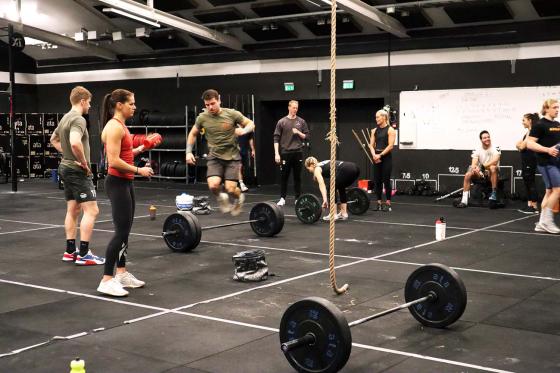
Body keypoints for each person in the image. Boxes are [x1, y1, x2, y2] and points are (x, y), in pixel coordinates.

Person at [98, 89, 154, 297]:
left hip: (126, 183)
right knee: (120, 231)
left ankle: (121, 273)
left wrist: (142, 147)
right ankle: (106, 279)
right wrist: (140, 170)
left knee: (126, 229)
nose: (134, 107)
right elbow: (113, 161)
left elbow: (124, 153)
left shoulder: (121, 126)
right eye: (131, 103)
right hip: (117, 183)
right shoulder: (114, 127)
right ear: (119, 105)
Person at [50, 86, 103, 266]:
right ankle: (84, 254)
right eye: (89, 102)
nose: (89, 106)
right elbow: (74, 143)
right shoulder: (78, 119)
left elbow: (53, 139)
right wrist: (84, 163)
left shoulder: (65, 118)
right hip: (76, 169)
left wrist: (69, 156)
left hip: (65, 167)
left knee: (73, 210)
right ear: (82, 101)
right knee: (92, 210)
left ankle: (70, 251)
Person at [186, 89, 255, 216]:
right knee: (213, 186)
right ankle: (222, 197)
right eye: (207, 105)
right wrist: (188, 152)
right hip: (214, 157)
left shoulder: (232, 114)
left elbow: (251, 124)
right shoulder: (202, 118)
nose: (210, 107)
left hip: (232, 157)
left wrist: (244, 131)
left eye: (212, 103)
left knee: (231, 189)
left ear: (219, 100)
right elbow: (193, 133)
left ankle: (239, 198)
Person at [527, 98, 560, 234]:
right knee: (558, 191)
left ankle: (541, 223)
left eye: (558, 107)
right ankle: (547, 221)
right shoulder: (539, 125)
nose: (557, 110)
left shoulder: (558, 124)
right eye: (554, 107)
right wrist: (547, 150)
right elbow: (529, 144)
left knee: (549, 192)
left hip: (556, 163)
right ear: (546, 108)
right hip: (546, 163)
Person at [274, 100, 310, 206]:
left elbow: (307, 136)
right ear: (289, 107)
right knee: (284, 176)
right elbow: (276, 138)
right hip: (285, 152)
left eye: (296, 108)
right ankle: (282, 198)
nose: (295, 110)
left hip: (298, 152)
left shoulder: (301, 122)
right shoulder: (282, 122)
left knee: (297, 177)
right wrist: (277, 153)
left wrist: (298, 132)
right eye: (293, 107)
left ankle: (297, 198)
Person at [456, 130, 501, 208]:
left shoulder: (496, 147)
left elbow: (495, 160)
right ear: (481, 140)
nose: (487, 139)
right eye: (485, 138)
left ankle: (493, 194)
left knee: (493, 167)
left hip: (492, 173)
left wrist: (483, 166)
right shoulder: (477, 149)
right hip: (481, 173)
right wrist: (476, 168)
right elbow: (474, 163)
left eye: (488, 137)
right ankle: (464, 200)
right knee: (468, 174)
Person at [369, 109, 396, 211]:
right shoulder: (374, 131)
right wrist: (374, 155)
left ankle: (388, 203)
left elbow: (390, 146)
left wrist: (380, 155)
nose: (376, 119)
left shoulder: (390, 130)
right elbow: (371, 145)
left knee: (386, 180)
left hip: (386, 157)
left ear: (384, 117)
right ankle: (379, 202)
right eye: (376, 117)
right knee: (377, 181)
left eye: (378, 117)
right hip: (376, 157)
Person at [516, 113, 540, 214]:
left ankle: (534, 206)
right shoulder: (528, 133)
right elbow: (517, 144)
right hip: (525, 159)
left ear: (530, 120)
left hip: (530, 159)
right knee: (527, 181)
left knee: (530, 181)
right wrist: (522, 145)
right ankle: (529, 204)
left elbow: (521, 147)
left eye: (524, 120)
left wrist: (522, 145)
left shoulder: (532, 132)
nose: (522, 122)